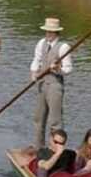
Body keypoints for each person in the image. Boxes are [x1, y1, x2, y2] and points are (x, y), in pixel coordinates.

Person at [30, 17, 72, 149]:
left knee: (55, 120)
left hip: (55, 86)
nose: (47, 34)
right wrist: (33, 73)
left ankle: (56, 150)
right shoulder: (41, 43)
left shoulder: (63, 47)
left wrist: (58, 69)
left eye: (50, 32)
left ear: (56, 33)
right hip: (42, 84)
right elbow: (36, 60)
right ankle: (39, 148)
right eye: (46, 31)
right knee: (38, 118)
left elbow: (68, 69)